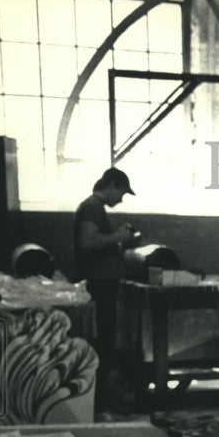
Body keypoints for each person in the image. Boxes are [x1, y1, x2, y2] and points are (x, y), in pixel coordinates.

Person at [73, 167, 136, 405]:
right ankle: (97, 399)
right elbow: (87, 241)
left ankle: (98, 397)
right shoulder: (91, 206)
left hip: (103, 283)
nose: (121, 199)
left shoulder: (95, 208)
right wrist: (118, 237)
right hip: (98, 285)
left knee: (105, 339)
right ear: (110, 186)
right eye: (121, 192)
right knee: (101, 340)